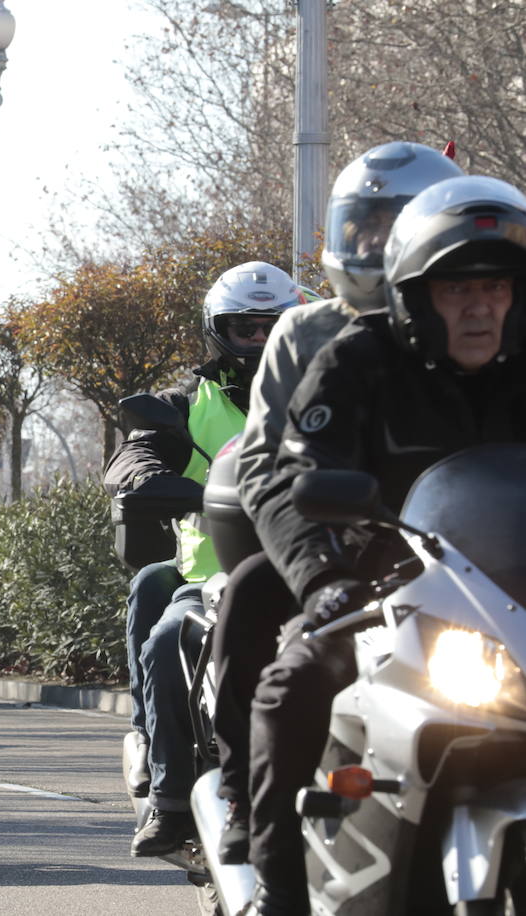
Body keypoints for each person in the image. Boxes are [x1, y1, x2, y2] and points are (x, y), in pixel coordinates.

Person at [244, 175, 526, 914]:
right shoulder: (356, 360)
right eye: (456, 290)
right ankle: (277, 893)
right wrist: (325, 579)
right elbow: (296, 478)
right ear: (413, 297)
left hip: (514, 607)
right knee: (290, 686)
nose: (478, 308)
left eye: (494, 288)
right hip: (388, 595)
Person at [209, 142, 464, 865]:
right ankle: (254, 816)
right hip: (350, 553)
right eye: (366, 227)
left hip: (479, 561)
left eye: (398, 225)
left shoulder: (497, 329)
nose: (377, 244)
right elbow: (266, 461)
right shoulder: (317, 333)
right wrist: (318, 570)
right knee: (254, 595)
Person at [105, 261, 301, 857]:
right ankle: (168, 799)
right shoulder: (186, 403)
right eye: (246, 328)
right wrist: (156, 477)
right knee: (166, 640)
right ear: (218, 331)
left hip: (315, 568)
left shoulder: (332, 389)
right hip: (212, 576)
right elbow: (131, 460)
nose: (262, 341)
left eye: (276, 326)